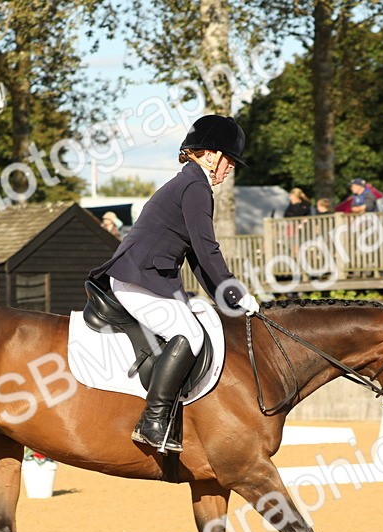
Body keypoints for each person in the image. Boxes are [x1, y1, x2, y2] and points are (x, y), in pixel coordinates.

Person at [88, 114, 258, 452]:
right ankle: (152, 421)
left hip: (148, 277)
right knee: (190, 334)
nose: (230, 169)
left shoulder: (190, 182)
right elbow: (208, 250)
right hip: (139, 278)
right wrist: (236, 292)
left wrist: (227, 302)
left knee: (197, 321)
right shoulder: (195, 187)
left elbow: (196, 257)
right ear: (211, 154)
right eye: (229, 160)